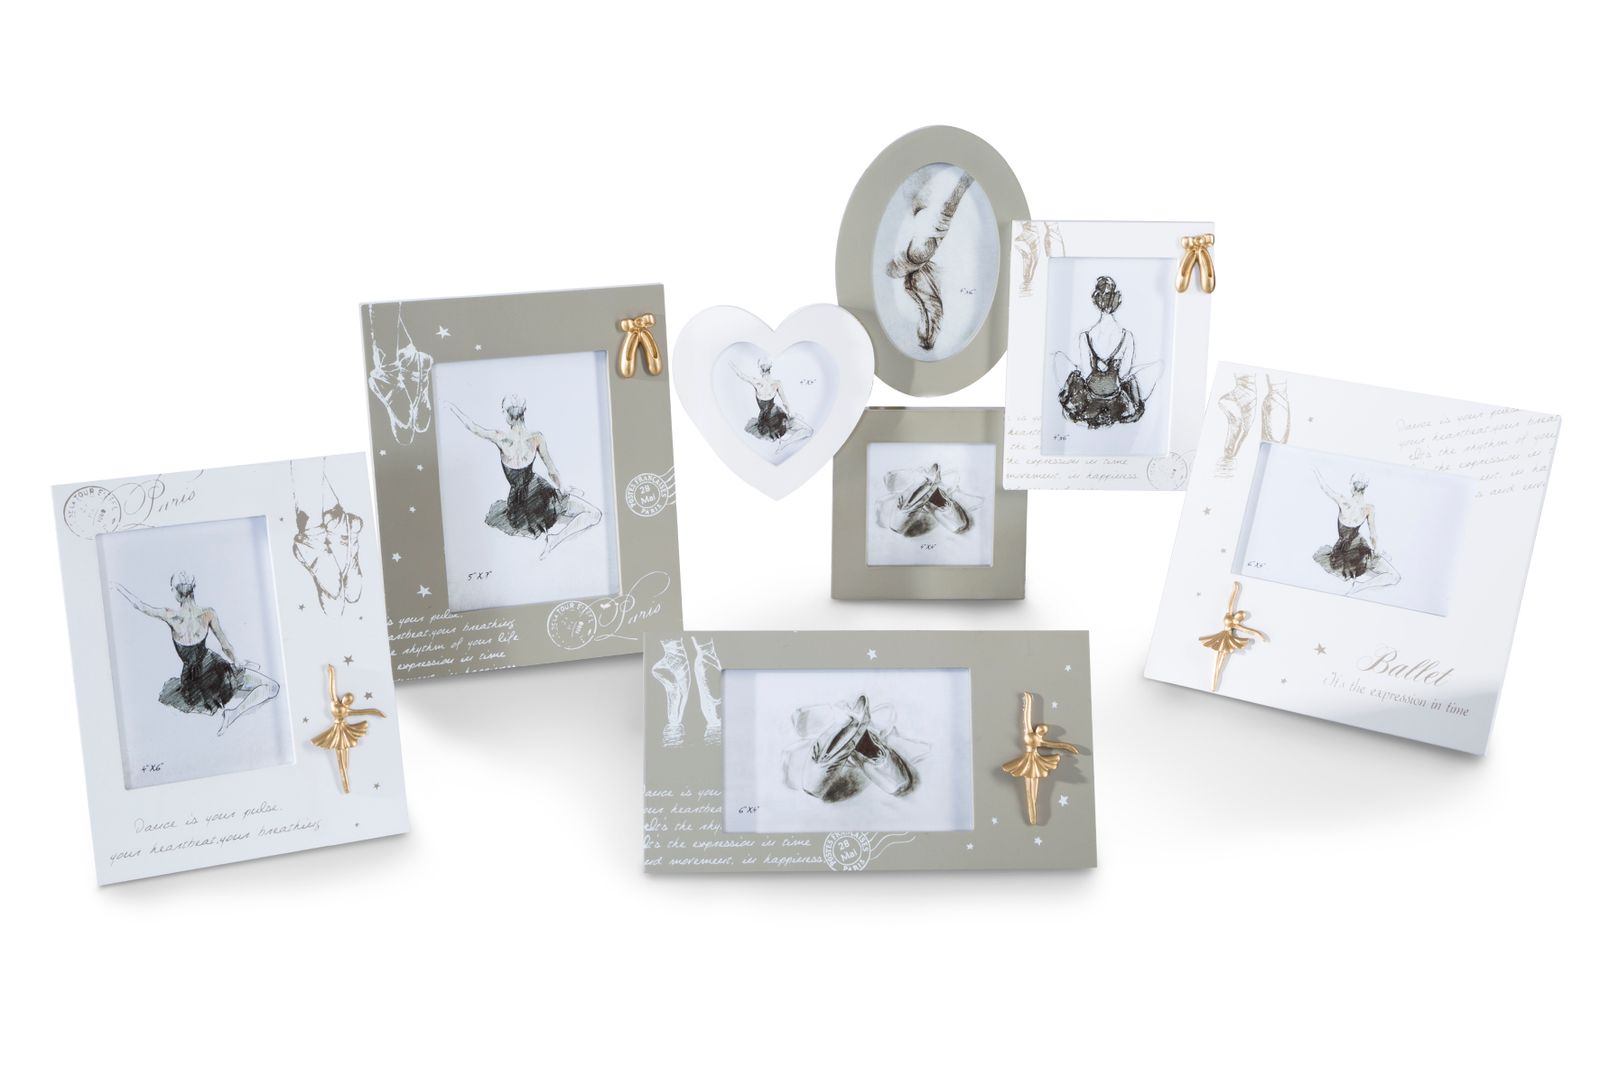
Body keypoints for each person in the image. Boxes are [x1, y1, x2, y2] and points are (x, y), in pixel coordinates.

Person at [114, 572, 280, 735]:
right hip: (215, 672)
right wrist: (237, 661)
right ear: (193, 588)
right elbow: (226, 646)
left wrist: (117, 587)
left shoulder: (171, 616)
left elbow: (140, 605)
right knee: (272, 687)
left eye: (172, 589)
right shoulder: (208, 613)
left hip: (192, 682)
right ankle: (233, 713)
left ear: (176, 593)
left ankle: (230, 713)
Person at [449, 395, 602, 558]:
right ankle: (556, 538)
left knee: (578, 509)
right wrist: (563, 488)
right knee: (595, 514)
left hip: (518, 505)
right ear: (524, 411)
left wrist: (451, 406)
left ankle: (553, 538)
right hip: (540, 495)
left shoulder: (501, 438)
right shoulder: (536, 437)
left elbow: (472, 427)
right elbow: (552, 471)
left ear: (506, 414)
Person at [1059, 276, 1146, 427]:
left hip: (1090, 400)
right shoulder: (1127, 336)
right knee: (1132, 380)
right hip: (1116, 400)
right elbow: (1124, 374)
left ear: (1096, 301)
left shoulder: (1085, 337)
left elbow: (1086, 373)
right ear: (1117, 300)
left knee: (1071, 371)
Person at [1312, 470, 1401, 592]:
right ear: (1365, 488)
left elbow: (1325, 487)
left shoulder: (1342, 501)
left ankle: (1358, 583)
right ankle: (1359, 586)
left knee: (1369, 553)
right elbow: (1373, 536)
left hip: (1340, 551)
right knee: (1395, 576)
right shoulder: (1368, 508)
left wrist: (1316, 472)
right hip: (1358, 553)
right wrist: (1376, 551)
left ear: (1352, 486)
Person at [733, 359, 812, 455]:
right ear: (770, 369)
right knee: (808, 431)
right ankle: (785, 443)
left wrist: (731, 364)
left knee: (793, 422)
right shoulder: (777, 383)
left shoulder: (756, 382)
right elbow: (785, 403)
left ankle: (783, 440)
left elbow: (740, 374)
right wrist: (790, 414)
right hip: (778, 419)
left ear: (760, 371)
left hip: (764, 422)